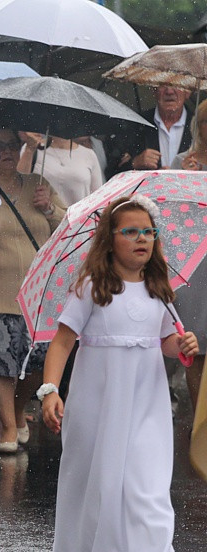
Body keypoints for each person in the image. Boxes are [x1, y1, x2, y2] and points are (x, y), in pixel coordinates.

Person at [40, 195, 199, 551]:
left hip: (146, 405)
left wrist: (181, 345)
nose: (142, 238)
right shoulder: (92, 288)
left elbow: (165, 342)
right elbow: (63, 341)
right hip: (98, 401)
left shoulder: (159, 291)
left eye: (148, 231)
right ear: (109, 240)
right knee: (99, 484)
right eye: (130, 231)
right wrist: (50, 389)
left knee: (147, 485)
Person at [0, 129, 66, 453]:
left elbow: (70, 227)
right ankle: (8, 427)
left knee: (39, 361)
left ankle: (16, 410)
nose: (8, 152)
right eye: (0, 146)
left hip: (38, 293)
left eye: (13, 145)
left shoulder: (38, 184)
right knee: (0, 361)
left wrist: (49, 209)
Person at [168, 97, 207, 417]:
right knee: (194, 342)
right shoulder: (184, 162)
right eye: (205, 121)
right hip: (192, 263)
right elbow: (168, 212)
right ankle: (199, 419)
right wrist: (186, 180)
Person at [107, 85, 192, 177]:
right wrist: (135, 163)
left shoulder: (201, 125)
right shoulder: (135, 124)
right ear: (153, 90)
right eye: (163, 84)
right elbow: (110, 173)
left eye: (176, 84)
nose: (169, 91)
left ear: (188, 92)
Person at [18, 132, 103, 206]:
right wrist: (29, 149)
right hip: (43, 220)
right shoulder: (33, 148)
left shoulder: (89, 154)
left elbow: (97, 198)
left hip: (78, 222)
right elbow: (19, 183)